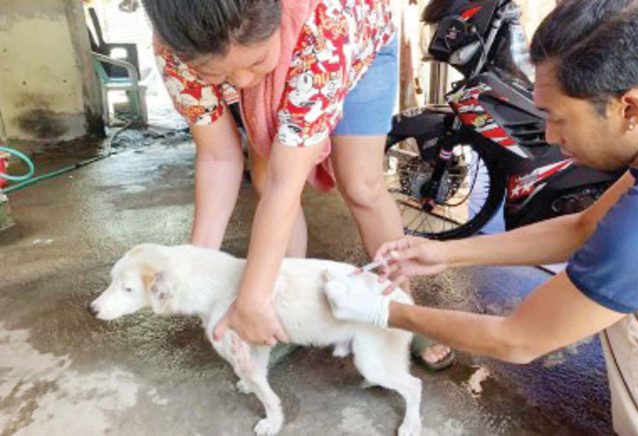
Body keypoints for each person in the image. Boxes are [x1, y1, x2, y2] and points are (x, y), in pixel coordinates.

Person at [324, 0, 638, 433]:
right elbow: (583, 226)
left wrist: (382, 312)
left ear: (631, 110)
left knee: (627, 298)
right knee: (626, 289)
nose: (551, 136)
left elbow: (519, 339)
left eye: (558, 118)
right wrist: (446, 254)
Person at [142, 0, 453, 369]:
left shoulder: (325, 28)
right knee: (262, 177)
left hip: (355, 48)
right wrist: (191, 266)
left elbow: (285, 182)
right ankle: (282, 305)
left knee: (360, 185)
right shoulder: (178, 51)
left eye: (255, 62)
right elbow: (219, 157)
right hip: (292, 56)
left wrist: (250, 298)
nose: (242, 82)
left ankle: (402, 309)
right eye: (217, 75)